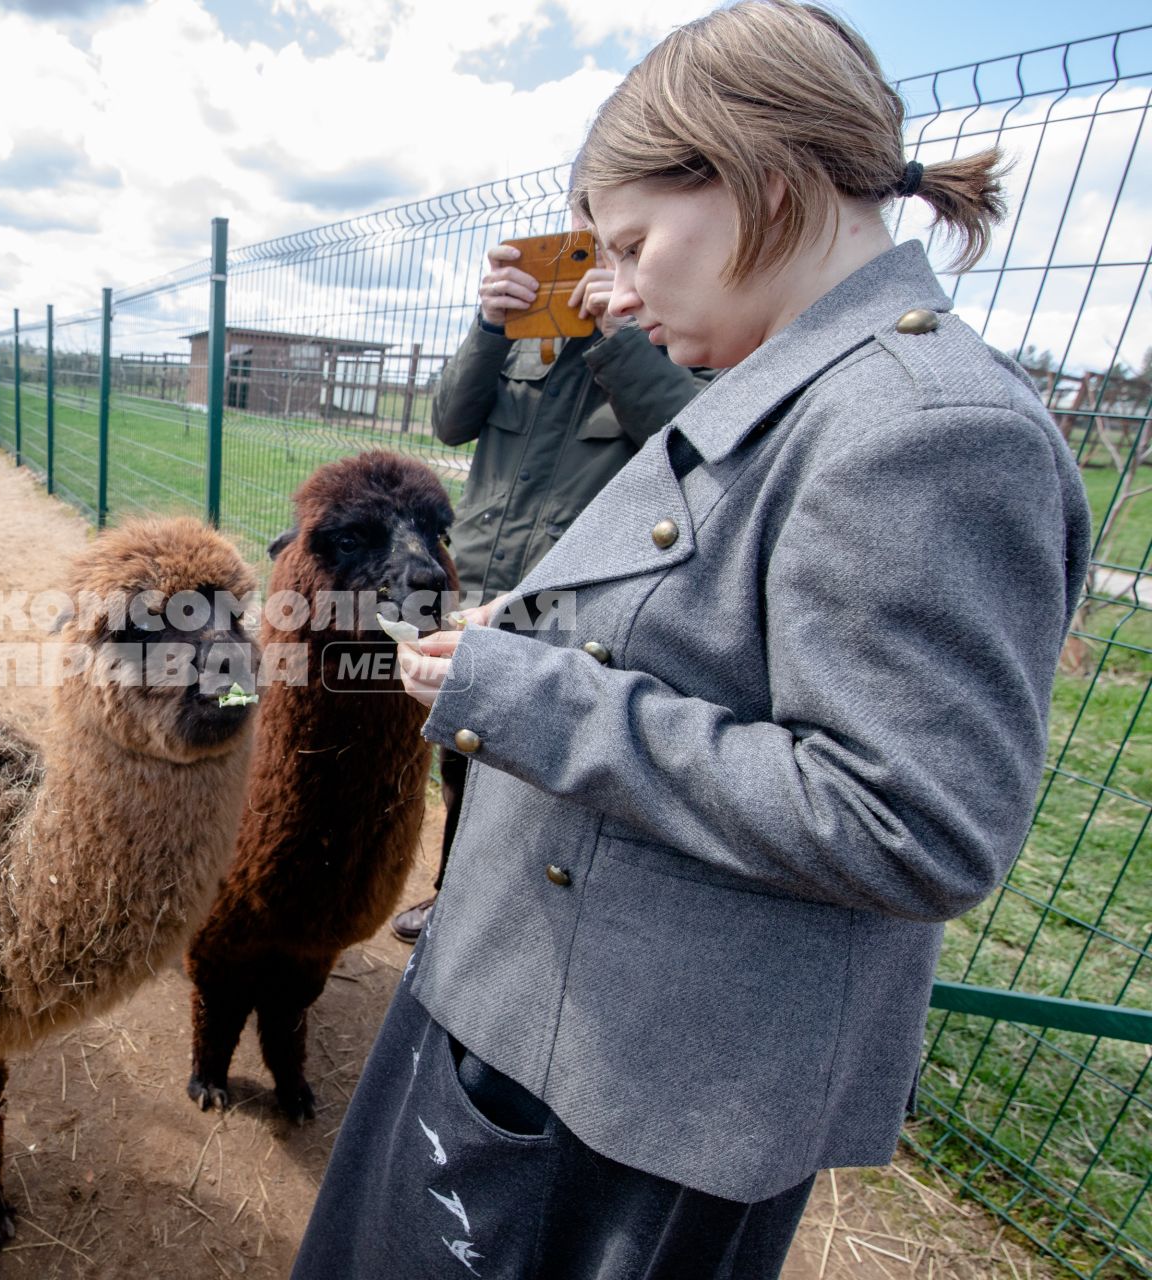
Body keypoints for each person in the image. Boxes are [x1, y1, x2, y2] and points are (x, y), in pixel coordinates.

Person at [294, 3, 1089, 1276]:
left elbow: (909, 815)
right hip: (552, 1018)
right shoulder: (798, 387)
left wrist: (539, 697)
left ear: (757, 179)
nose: (608, 289)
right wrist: (547, 630)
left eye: (630, 242)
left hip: (633, 1092)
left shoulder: (921, 429)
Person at [390, 234, 708, 944]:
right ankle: (455, 896)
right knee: (462, 755)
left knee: (540, 765)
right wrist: (490, 327)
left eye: (617, 243)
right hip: (476, 580)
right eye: (581, 233)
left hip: (572, 603)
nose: (591, 260)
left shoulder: (669, 334)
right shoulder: (523, 337)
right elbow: (448, 421)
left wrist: (620, 341)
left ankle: (522, 921)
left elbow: (690, 444)